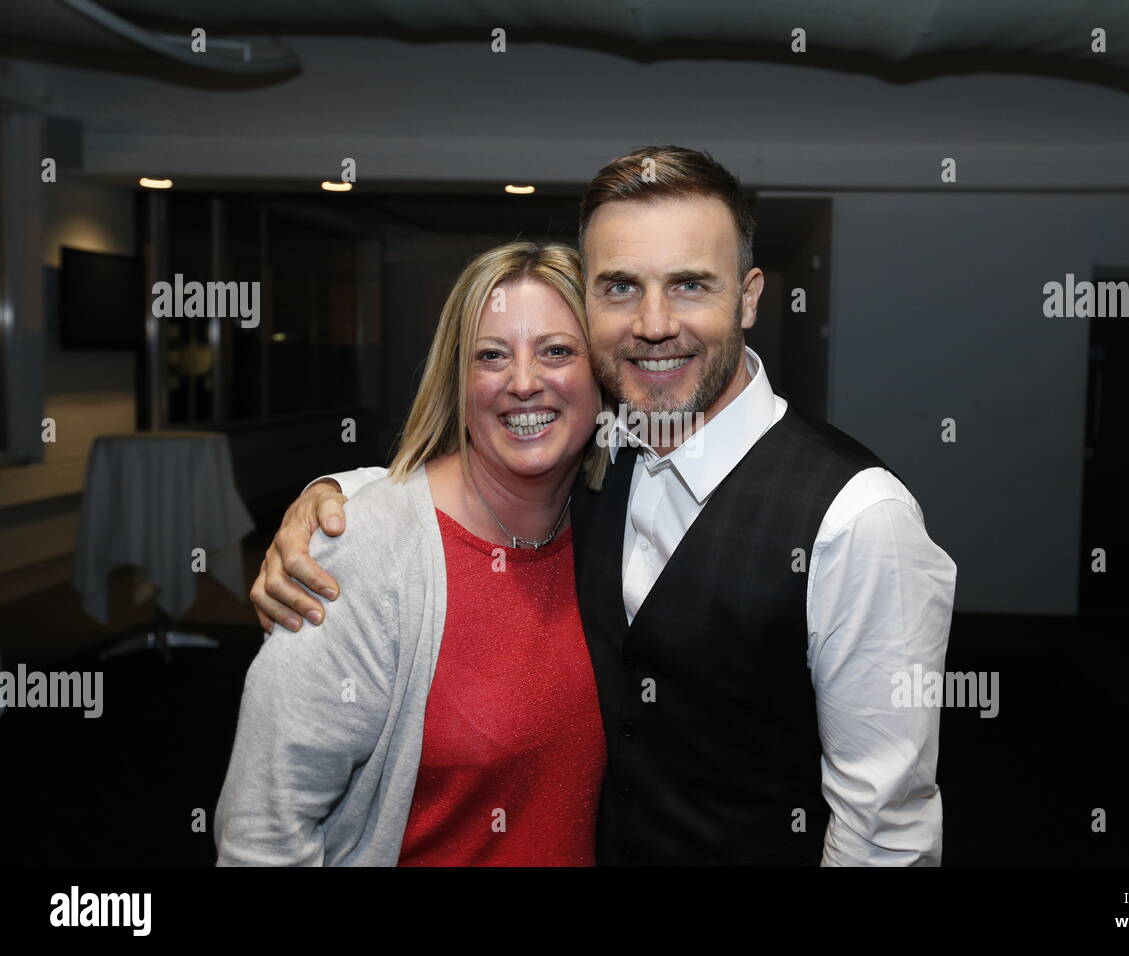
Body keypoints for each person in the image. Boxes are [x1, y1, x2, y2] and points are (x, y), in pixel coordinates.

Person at [252, 146, 958, 866]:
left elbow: (883, 834)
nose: (653, 324)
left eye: (689, 285)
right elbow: (474, 478)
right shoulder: (600, 454)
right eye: (620, 287)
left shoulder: (859, 519)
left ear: (748, 296)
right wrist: (337, 498)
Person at [216, 241, 609, 865]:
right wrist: (335, 501)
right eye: (491, 356)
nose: (525, 382)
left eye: (557, 351)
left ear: (602, 374)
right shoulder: (362, 550)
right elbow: (262, 831)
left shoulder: (615, 527)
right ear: (459, 380)